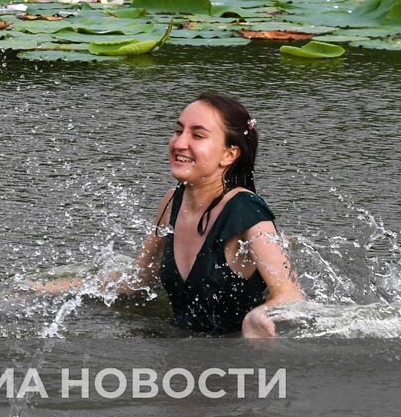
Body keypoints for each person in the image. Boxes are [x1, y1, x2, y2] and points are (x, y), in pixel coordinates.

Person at [40, 92, 303, 337]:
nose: (179, 143)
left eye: (197, 136)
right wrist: (49, 289)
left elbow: (290, 294)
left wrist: (261, 314)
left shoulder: (247, 212)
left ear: (229, 154)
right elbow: (139, 280)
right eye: (178, 131)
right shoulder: (173, 200)